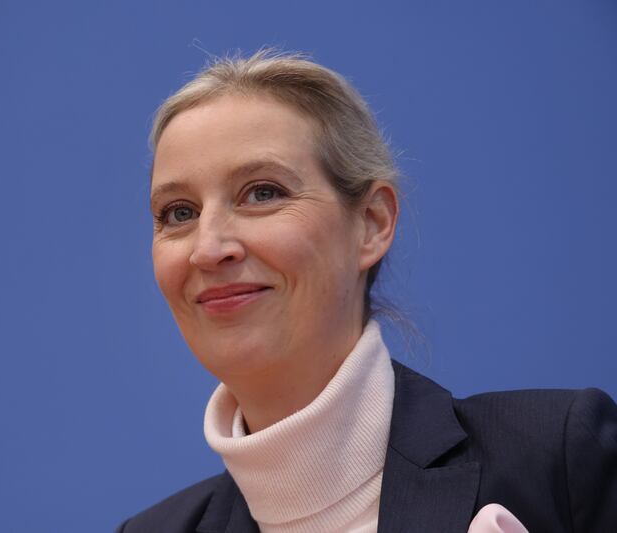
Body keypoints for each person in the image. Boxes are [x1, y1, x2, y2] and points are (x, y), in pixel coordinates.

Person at [118, 49, 617, 532]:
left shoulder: (556, 461)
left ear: (372, 223)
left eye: (263, 193)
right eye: (179, 213)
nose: (208, 249)